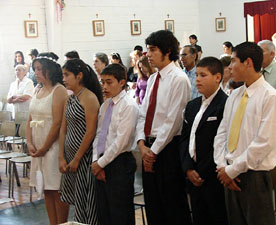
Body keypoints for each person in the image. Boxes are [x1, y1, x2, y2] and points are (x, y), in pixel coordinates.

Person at [214, 42, 276, 225]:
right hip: (229, 173)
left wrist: (232, 170)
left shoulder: (270, 96)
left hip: (255, 176)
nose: (229, 67)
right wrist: (222, 166)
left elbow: (264, 143)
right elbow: (221, 133)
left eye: (234, 61)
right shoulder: (235, 95)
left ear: (248, 63)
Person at [136, 30, 192, 225]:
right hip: (149, 147)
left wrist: (153, 151)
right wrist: (142, 144)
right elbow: (143, 114)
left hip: (167, 149)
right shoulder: (153, 79)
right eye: (147, 50)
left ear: (167, 51)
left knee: (173, 205)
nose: (148, 55)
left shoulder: (178, 79)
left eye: (152, 50)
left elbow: (173, 121)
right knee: (154, 205)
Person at [180, 57, 228, 225]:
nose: (197, 79)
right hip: (192, 174)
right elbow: (185, 139)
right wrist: (188, 168)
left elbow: (221, 142)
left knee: (217, 217)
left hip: (213, 175)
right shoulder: (192, 105)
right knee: (199, 218)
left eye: (203, 75)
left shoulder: (225, 104)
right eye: (197, 75)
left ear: (217, 77)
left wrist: (201, 170)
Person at [91, 63, 138, 225]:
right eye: (102, 82)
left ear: (122, 82)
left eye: (109, 82)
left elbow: (121, 141)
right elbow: (99, 135)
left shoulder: (129, 106)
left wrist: (101, 164)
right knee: (104, 213)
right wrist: (95, 161)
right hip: (102, 161)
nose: (104, 86)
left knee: (120, 214)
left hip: (120, 162)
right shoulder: (105, 105)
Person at [26, 52, 69, 225]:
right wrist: (29, 142)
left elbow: (58, 123)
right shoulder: (38, 89)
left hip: (53, 146)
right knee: (46, 189)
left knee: (56, 189)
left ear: (49, 70)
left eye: (39, 69)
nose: (36, 72)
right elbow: (30, 119)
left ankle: (61, 223)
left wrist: (45, 147)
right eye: (35, 69)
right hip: (37, 146)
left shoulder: (59, 90)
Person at [59, 59, 103, 225]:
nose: (64, 78)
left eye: (67, 75)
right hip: (70, 156)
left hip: (83, 158)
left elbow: (91, 131)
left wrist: (77, 158)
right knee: (77, 201)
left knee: (86, 201)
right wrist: (61, 156)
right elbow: (63, 129)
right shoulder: (70, 98)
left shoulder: (89, 97)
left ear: (79, 76)